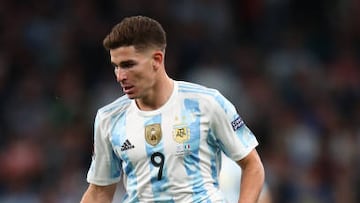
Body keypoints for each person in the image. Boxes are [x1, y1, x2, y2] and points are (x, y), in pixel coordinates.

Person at [81, 15, 265, 203]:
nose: (120, 76)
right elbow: (99, 191)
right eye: (116, 67)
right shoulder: (109, 118)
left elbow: (252, 165)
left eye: (128, 65)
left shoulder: (206, 103)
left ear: (157, 60)